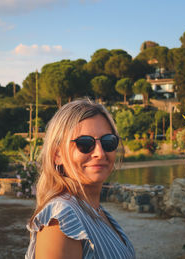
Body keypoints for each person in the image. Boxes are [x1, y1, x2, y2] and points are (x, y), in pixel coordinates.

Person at [25, 99, 135, 259]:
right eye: (84, 143)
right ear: (57, 155)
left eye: (108, 142)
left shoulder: (97, 212)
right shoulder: (62, 219)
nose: (100, 153)